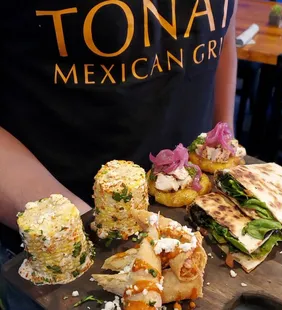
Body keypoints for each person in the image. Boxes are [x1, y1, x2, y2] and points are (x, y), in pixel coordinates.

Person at [0, 0, 238, 308]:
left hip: (201, 230)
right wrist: (91, 237)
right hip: (69, 259)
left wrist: (225, 149)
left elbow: (222, 32)